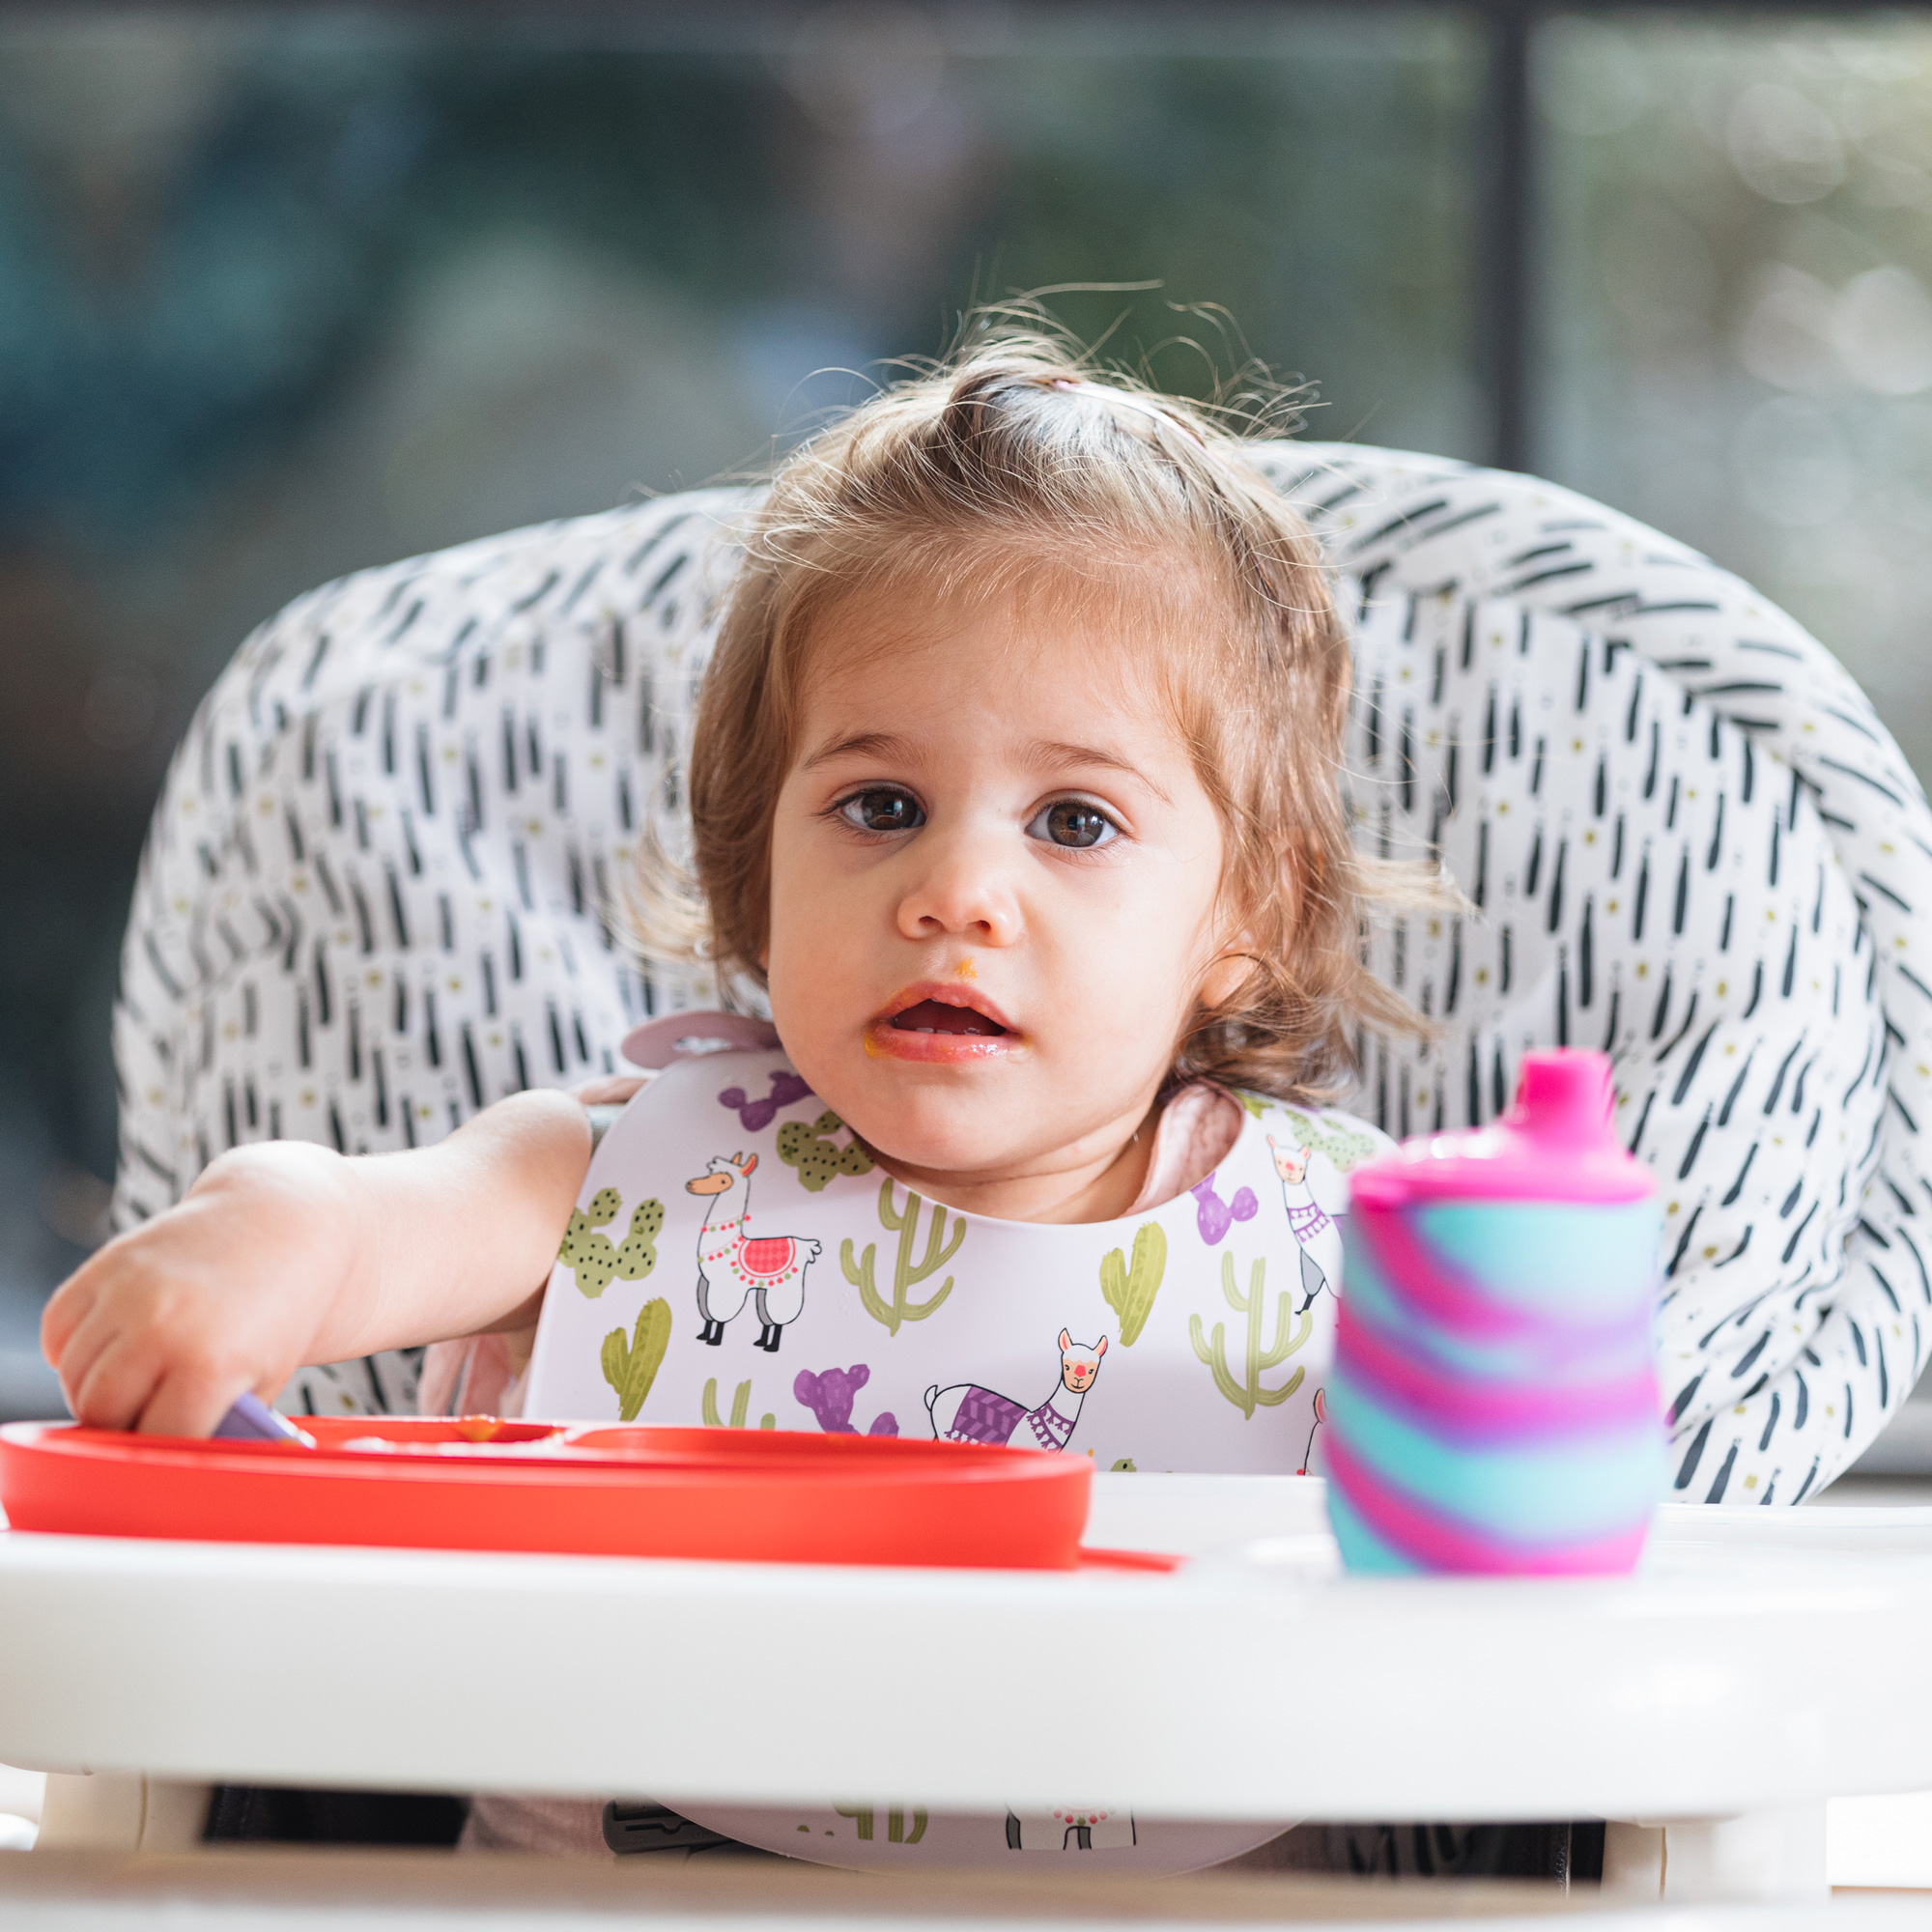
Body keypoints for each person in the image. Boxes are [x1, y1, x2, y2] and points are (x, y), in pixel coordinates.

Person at [40, 329, 1442, 1867]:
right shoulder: (629, 1173)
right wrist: (270, 1236)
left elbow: (1513, 1567)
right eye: (880, 806)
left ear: (1247, 912)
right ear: (756, 874)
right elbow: (384, 1225)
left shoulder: (1356, 1254)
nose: (958, 888)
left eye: (1075, 819)